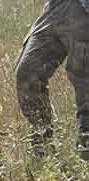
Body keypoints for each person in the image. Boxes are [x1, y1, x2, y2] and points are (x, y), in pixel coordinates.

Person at [15, 0, 89, 159]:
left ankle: (86, 153)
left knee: (85, 80)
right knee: (26, 73)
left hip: (83, 10)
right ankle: (43, 145)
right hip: (56, 6)